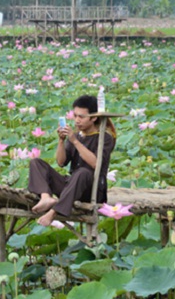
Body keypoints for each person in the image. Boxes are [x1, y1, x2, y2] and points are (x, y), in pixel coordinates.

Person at [28, 95, 116, 226]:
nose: (77, 120)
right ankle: (46, 197)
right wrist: (61, 141)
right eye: (75, 116)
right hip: (71, 186)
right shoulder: (76, 135)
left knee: (83, 172)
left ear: (94, 118)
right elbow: (61, 162)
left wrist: (74, 141)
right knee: (36, 163)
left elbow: (96, 164)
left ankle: (53, 213)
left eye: (81, 117)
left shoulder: (105, 138)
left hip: (92, 190)